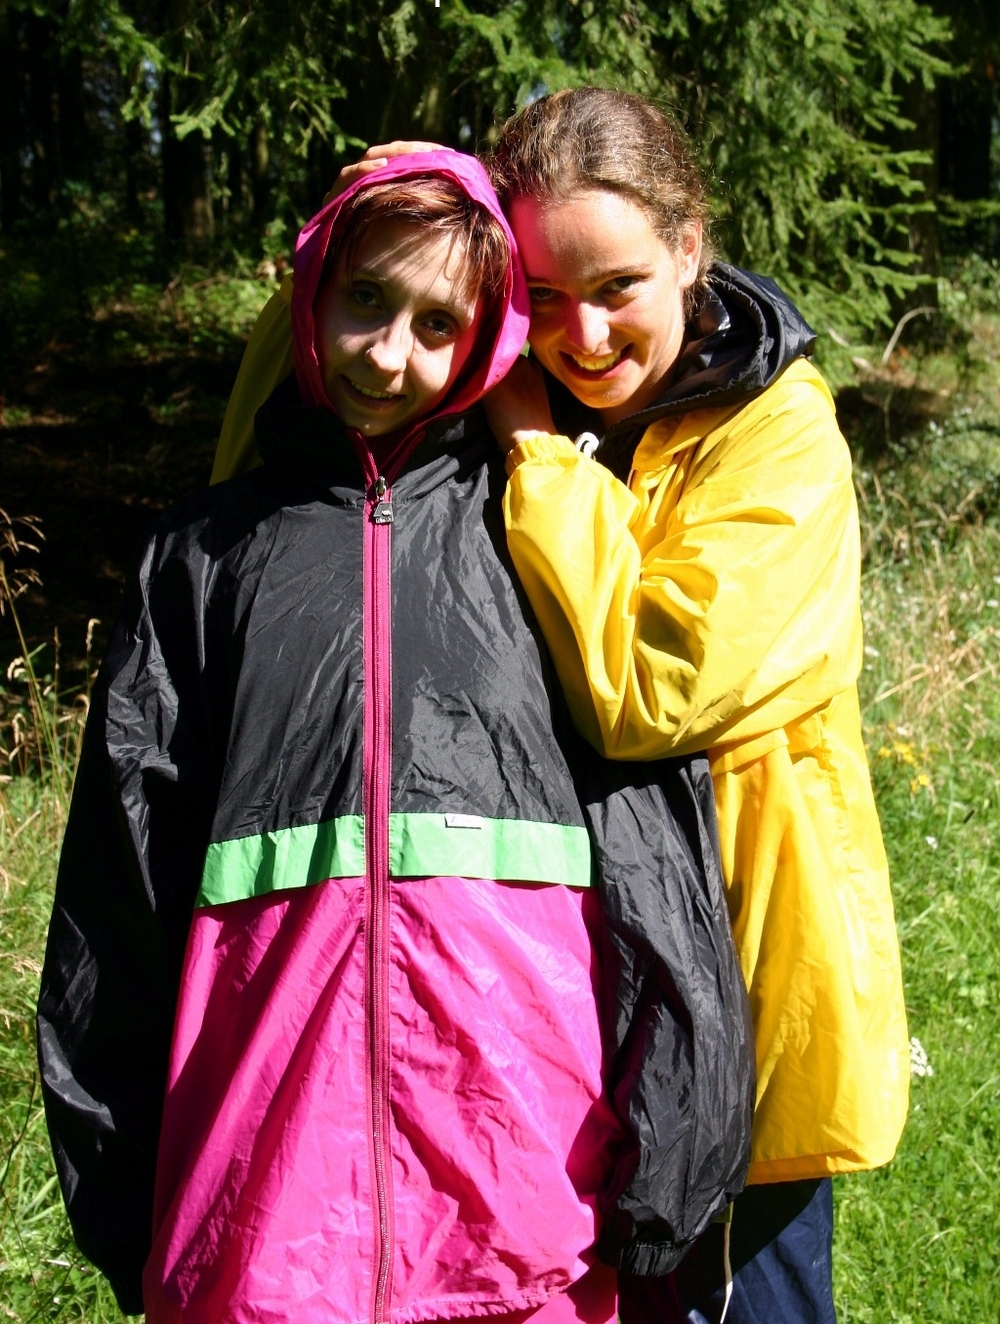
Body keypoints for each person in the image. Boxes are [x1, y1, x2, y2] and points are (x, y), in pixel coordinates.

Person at [214, 89, 911, 1323]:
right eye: (542, 296)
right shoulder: (495, 390)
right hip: (554, 1001)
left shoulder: (774, 434)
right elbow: (294, 430)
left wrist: (534, 447)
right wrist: (362, 222)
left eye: (618, 287)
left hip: (738, 991)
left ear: (689, 248)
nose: (582, 335)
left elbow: (651, 687)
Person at [37, 149, 753, 1324]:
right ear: (309, 291)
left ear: (486, 340)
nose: (386, 354)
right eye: (364, 299)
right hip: (261, 1219)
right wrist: (120, 1189)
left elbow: (655, 873)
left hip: (525, 1212)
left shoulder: (539, 537)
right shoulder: (203, 558)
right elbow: (116, 894)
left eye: (437, 323)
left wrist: (668, 1163)